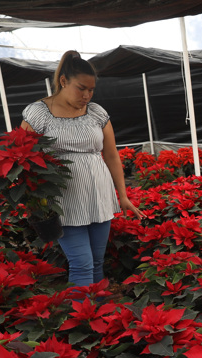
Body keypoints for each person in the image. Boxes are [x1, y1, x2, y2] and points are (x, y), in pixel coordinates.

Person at [20, 50, 143, 287]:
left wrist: (123, 196)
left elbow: (111, 155)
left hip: (99, 196)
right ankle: (81, 310)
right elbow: (21, 156)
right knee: (82, 264)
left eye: (91, 90)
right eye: (81, 88)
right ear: (63, 81)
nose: (86, 95)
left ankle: (98, 306)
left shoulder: (97, 112)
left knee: (96, 262)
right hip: (63, 199)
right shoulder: (39, 113)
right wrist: (34, 201)